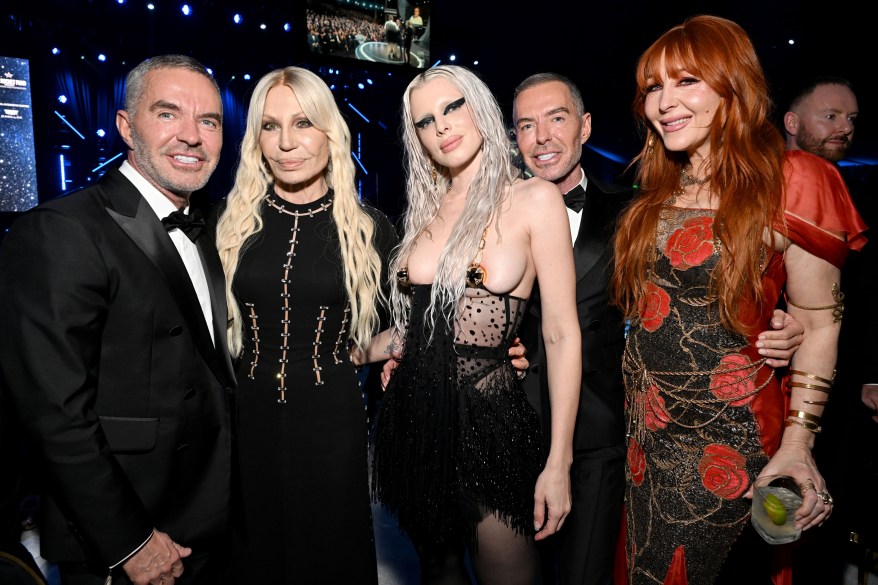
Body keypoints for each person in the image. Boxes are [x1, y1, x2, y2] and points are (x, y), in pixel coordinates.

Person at [511, 72, 807, 585]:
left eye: (556, 119)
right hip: (510, 420)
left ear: (584, 127)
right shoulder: (494, 216)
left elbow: (694, 285)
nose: (542, 138)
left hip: (605, 428)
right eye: (525, 126)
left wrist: (782, 317)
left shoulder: (638, 210)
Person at [609, 15, 867, 584]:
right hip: (647, 443)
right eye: (653, 87)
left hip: (737, 438)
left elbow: (820, 324)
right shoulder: (658, 186)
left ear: (734, 86)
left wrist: (799, 445)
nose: (663, 102)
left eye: (686, 82)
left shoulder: (793, 179)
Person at [0, 54, 236, 584]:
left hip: (211, 515)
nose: (192, 136)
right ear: (127, 127)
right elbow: (53, 413)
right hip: (130, 532)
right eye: (168, 114)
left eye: (209, 121)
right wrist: (127, 541)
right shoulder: (62, 230)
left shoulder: (217, 226)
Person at [362, 64, 582, 585]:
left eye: (453, 107)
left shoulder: (534, 199)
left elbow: (560, 334)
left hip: (494, 430)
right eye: (424, 121)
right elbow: (416, 332)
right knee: (437, 574)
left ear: (481, 108)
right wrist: (347, 352)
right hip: (414, 423)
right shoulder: (423, 212)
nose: (441, 126)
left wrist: (559, 462)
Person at [210, 66, 398, 584]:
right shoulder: (227, 221)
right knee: (254, 559)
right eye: (270, 126)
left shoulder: (370, 229)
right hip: (244, 422)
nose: (287, 142)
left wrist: (361, 354)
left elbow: (405, 325)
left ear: (330, 132)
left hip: (332, 419)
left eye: (303, 123)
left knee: (328, 554)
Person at [783, 76, 878, 583]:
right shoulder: (770, 183)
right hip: (780, 381)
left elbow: (862, 300)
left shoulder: (849, 186)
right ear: (793, 124)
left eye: (853, 119)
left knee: (825, 512)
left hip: (838, 384)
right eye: (832, 116)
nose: (846, 128)